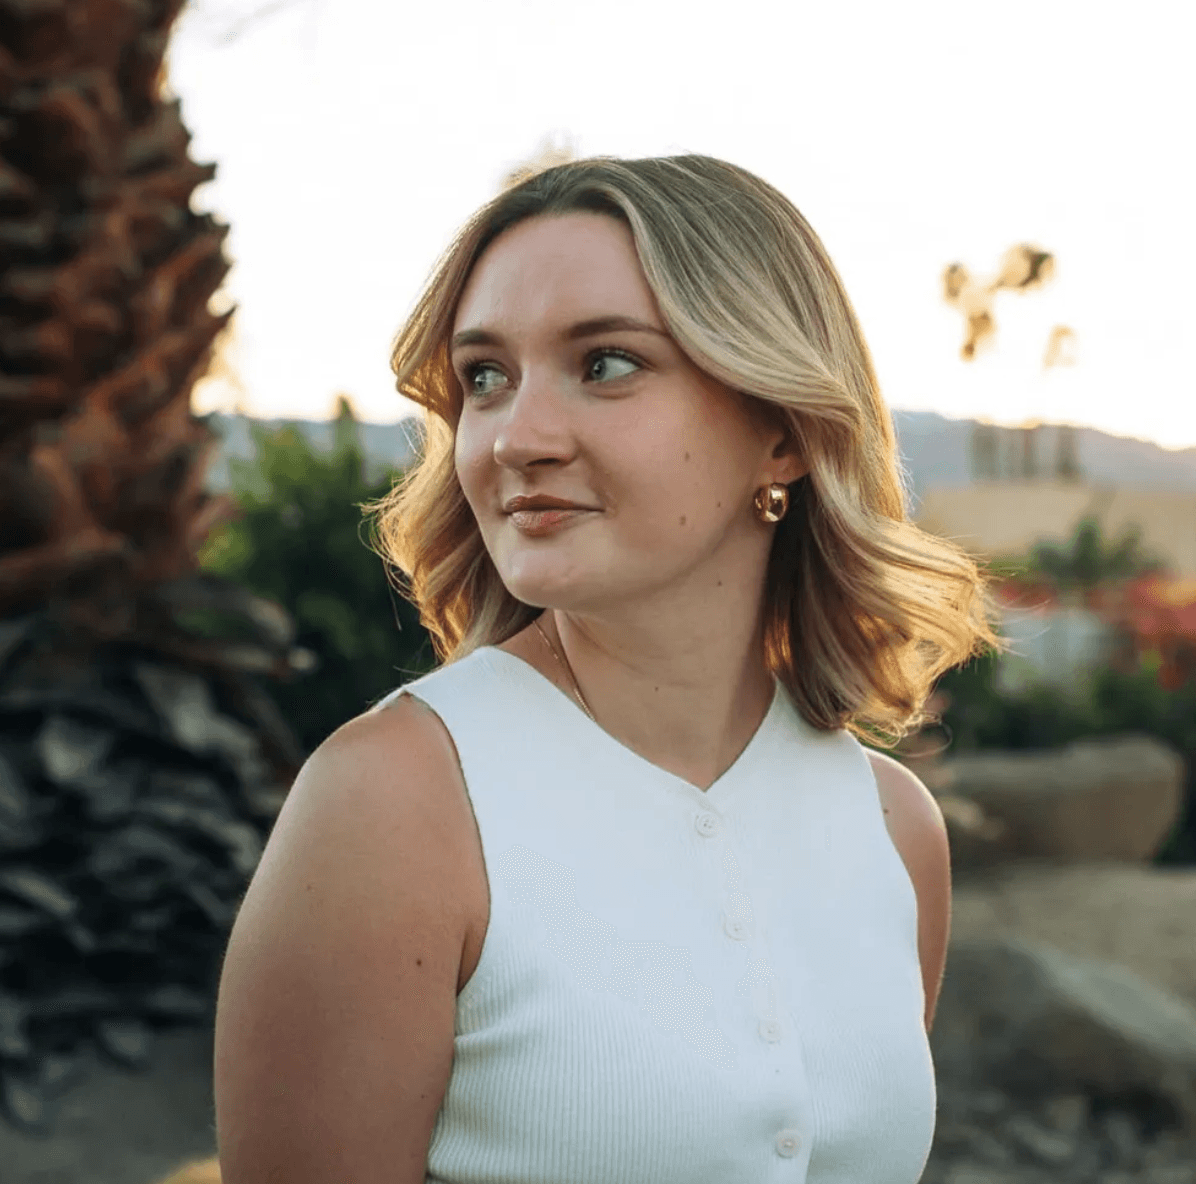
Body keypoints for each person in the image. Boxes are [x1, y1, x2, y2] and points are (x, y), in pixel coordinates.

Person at [213, 154, 1003, 1184]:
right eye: (485, 376)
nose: (515, 438)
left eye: (606, 364)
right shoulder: (393, 804)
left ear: (780, 432)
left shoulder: (893, 828)